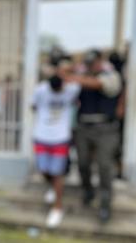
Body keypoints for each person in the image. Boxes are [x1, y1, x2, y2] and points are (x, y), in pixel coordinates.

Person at [63, 49, 122, 223]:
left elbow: (97, 84)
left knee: (104, 167)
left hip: (106, 128)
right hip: (83, 127)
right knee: (82, 163)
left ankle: (105, 204)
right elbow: (59, 74)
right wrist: (74, 67)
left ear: (100, 62)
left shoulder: (111, 75)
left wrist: (75, 76)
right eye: (88, 63)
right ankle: (88, 191)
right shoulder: (81, 74)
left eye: (93, 62)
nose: (91, 66)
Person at [32, 75, 81, 228]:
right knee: (43, 169)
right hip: (42, 136)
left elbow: (78, 82)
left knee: (58, 173)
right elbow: (33, 106)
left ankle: (57, 208)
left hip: (61, 138)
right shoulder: (40, 90)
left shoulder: (71, 89)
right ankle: (53, 188)